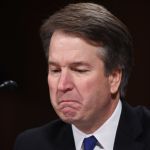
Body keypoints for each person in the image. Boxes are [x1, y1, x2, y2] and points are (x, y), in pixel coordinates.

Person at [14, 2, 150, 150]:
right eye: (56, 70)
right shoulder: (31, 144)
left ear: (114, 77)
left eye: (79, 70)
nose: (62, 85)